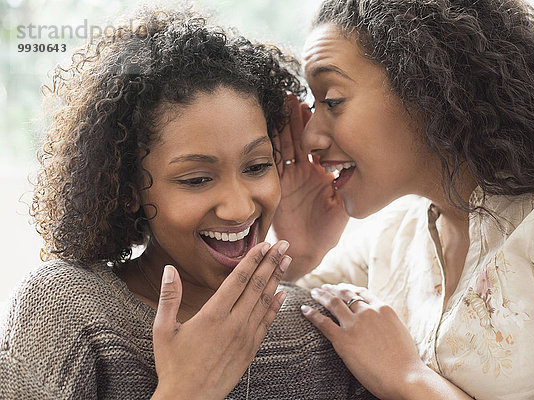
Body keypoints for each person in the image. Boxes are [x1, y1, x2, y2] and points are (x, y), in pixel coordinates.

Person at [0, 8, 375, 400]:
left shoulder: (319, 331)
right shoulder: (67, 309)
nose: (238, 208)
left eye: (258, 166)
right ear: (130, 189)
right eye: (197, 179)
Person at [272, 0, 534, 398]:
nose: (310, 138)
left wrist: (409, 379)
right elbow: (268, 321)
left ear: (426, 88)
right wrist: (302, 254)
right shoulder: (393, 238)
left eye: (333, 100)